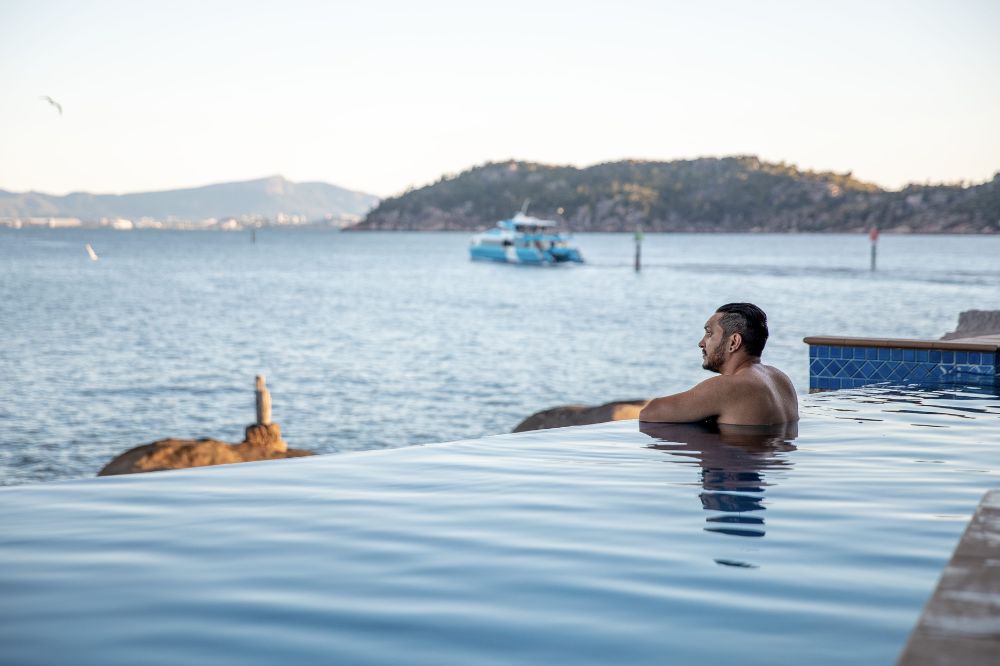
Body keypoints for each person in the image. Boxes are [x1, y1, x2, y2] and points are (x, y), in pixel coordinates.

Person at [639, 303, 798, 425]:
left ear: (734, 342)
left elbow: (650, 413)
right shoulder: (780, 379)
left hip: (735, 465)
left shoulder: (728, 387)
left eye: (709, 333)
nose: (701, 343)